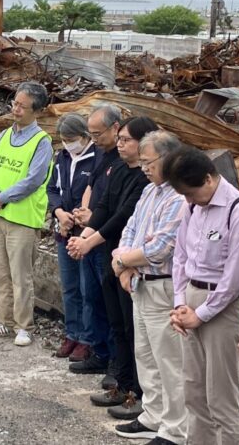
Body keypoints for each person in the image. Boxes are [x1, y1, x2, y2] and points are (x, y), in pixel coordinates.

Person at [166, 146, 239, 445]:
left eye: (191, 193)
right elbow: (180, 256)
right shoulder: (193, 207)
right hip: (191, 299)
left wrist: (201, 314)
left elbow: (235, 277)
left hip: (223, 307)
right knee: (194, 391)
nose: (188, 200)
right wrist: (180, 304)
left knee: (221, 396)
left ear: (208, 179)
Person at [67, 116, 157, 413]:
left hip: (132, 263)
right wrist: (85, 235)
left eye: (126, 139)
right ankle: (121, 379)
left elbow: (124, 217)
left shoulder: (145, 179)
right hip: (112, 258)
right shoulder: (118, 168)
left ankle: (136, 390)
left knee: (134, 329)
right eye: (119, 139)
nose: (119, 144)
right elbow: (104, 206)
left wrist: (89, 241)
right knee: (117, 323)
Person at [110, 130, 187, 443]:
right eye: (140, 162)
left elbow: (162, 248)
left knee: (170, 361)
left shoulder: (179, 197)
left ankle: (176, 429)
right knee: (146, 355)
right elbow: (130, 230)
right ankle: (153, 416)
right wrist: (123, 262)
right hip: (141, 282)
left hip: (163, 286)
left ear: (168, 158)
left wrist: (124, 261)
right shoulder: (149, 192)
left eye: (148, 161)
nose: (143, 167)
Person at [0, 81, 54, 346]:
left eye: (22, 106)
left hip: (22, 219)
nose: (16, 109)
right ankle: (5, 322)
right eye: (15, 103)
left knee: (21, 276)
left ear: (37, 111)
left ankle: (24, 326)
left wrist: (2, 197)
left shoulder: (42, 142)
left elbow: (33, 180)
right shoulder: (4, 135)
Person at [69, 104, 123, 376]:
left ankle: (116, 360)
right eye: (90, 134)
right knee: (90, 295)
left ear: (115, 128)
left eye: (98, 134)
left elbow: (119, 206)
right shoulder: (101, 154)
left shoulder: (124, 160)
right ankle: (98, 351)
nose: (94, 140)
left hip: (107, 239)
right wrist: (83, 213)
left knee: (108, 300)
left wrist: (94, 221)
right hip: (90, 231)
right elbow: (92, 185)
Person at [45, 112, 99, 360]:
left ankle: (87, 339)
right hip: (63, 229)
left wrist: (76, 217)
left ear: (85, 135)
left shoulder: (96, 158)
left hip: (84, 233)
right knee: (69, 288)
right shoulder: (62, 157)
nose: (68, 143)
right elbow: (53, 189)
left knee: (87, 288)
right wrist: (59, 213)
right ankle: (72, 333)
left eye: (72, 138)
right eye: (64, 139)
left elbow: (95, 196)